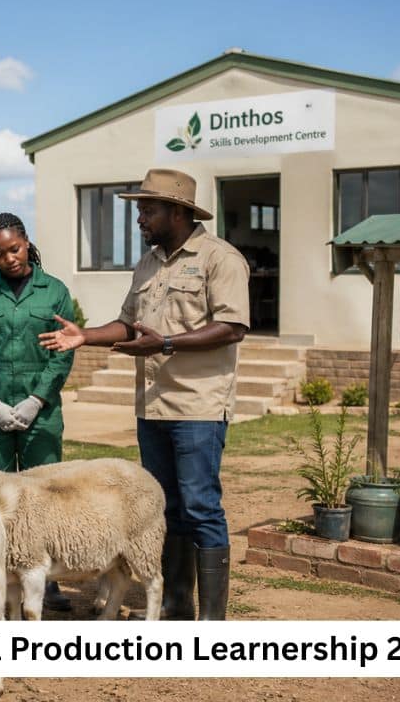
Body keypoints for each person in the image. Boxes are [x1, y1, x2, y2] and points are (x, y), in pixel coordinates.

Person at [39, 168, 249, 621]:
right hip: (152, 406)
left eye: (147, 210)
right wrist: (86, 336)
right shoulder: (149, 263)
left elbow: (232, 326)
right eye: (139, 210)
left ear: (177, 211)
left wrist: (168, 343)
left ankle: (212, 622)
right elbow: (131, 323)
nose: (139, 219)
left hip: (197, 405)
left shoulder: (220, 259)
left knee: (200, 506)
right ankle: (176, 607)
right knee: (165, 506)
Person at [0, 211, 76, 612]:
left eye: (15, 248)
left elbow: (62, 353)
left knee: (44, 495)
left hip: (40, 411)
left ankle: (49, 578)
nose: (9, 258)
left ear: (26, 242)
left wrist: (36, 400)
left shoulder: (54, 291)